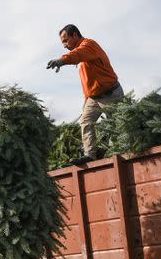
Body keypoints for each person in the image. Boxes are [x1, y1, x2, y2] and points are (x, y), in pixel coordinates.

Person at [46, 24, 124, 166]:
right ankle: (90, 155)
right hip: (93, 97)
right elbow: (87, 81)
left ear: (75, 35)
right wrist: (86, 100)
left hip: (110, 93)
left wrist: (61, 61)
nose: (64, 45)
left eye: (65, 40)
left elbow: (77, 55)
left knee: (115, 124)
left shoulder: (89, 45)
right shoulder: (81, 58)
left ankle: (118, 151)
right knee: (85, 121)